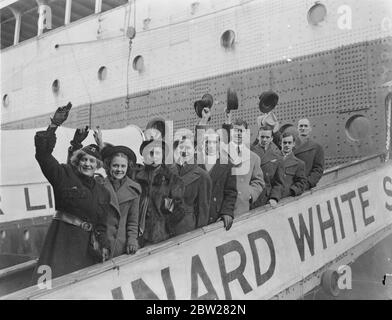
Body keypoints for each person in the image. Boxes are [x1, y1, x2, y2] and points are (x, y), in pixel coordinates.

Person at [32, 104, 110, 284]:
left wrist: (104, 246)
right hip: (60, 245)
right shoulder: (64, 175)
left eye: (92, 161)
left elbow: (101, 225)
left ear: (98, 165)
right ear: (78, 161)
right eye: (84, 159)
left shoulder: (103, 192)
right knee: (50, 290)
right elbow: (43, 156)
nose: (88, 164)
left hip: (87, 251)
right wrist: (54, 126)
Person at [135, 139, 185, 246]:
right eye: (150, 153)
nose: (154, 157)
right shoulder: (136, 176)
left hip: (159, 235)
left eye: (157, 153)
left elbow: (179, 210)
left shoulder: (172, 180)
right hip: (135, 233)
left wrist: (164, 227)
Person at [100, 144, 141, 258]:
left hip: (122, 245)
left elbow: (133, 221)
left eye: (123, 166)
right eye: (115, 166)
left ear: (128, 167)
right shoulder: (99, 186)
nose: (119, 169)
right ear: (109, 166)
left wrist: (132, 240)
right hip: (103, 244)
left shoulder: (134, 189)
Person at [169, 135, 212, 236]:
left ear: (195, 149)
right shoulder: (170, 172)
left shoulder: (202, 175)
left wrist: (198, 235)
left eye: (188, 148)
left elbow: (203, 210)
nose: (184, 151)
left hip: (188, 229)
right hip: (167, 228)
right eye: (181, 147)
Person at [199, 129, 237, 230]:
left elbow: (231, 193)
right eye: (207, 142)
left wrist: (227, 212)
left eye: (214, 142)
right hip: (198, 216)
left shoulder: (228, 165)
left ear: (219, 144)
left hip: (216, 216)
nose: (211, 146)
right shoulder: (195, 164)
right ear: (203, 144)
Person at [226, 118, 265, 216]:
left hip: (241, 207)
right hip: (223, 206)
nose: (238, 134)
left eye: (241, 131)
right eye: (235, 130)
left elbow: (258, 181)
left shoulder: (254, 158)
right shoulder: (221, 153)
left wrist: (250, 194)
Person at [269, 132, 307, 205]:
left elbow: (302, 183)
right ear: (280, 143)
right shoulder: (272, 159)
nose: (287, 145)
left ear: (293, 144)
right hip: (270, 199)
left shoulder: (299, 164)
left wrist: (291, 191)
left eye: (289, 143)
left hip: (286, 200)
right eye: (285, 142)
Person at [251, 125, 282, 207]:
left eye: (267, 137)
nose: (264, 140)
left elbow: (278, 182)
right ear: (258, 137)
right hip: (253, 197)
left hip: (268, 199)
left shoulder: (276, 156)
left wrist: (274, 197)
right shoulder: (250, 153)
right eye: (262, 137)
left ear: (271, 138)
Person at [294, 118, 325, 190]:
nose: (303, 128)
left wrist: (307, 184)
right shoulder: (289, 144)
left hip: (305, 186)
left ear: (310, 129)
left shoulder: (317, 147)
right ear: (297, 128)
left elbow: (318, 169)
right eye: (301, 126)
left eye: (305, 126)